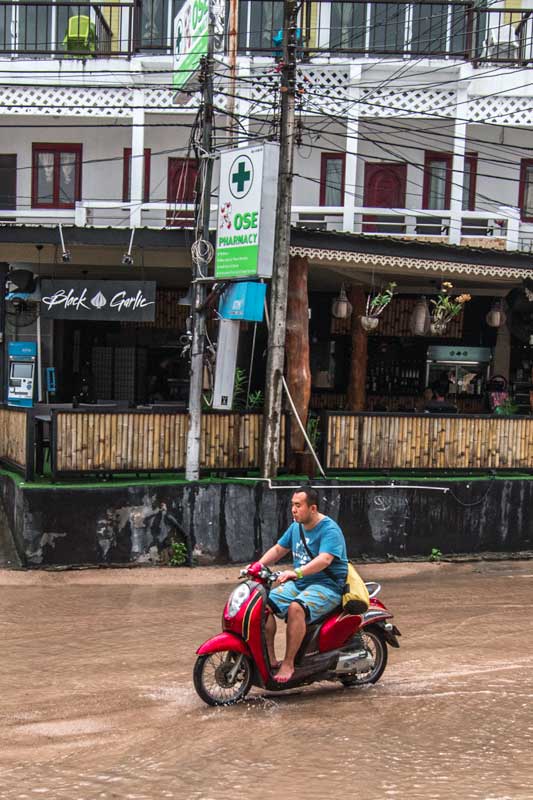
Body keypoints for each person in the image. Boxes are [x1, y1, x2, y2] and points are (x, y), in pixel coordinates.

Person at [256, 486, 348, 684]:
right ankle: (271, 660)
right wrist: (257, 566)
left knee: (296, 608)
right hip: (302, 583)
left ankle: (289, 663)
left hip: (328, 586)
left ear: (312, 508)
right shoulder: (296, 527)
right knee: (262, 605)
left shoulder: (329, 529)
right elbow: (279, 549)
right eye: (292, 505)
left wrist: (296, 572)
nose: (293, 510)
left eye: (298, 505)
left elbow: (324, 560)